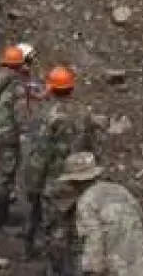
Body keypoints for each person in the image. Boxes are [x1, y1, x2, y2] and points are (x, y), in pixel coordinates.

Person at [24, 66, 97, 258]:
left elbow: (41, 155)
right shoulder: (85, 113)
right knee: (74, 225)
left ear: (51, 88)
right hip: (81, 179)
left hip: (55, 181)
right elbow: (92, 147)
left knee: (55, 229)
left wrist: (33, 185)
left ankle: (57, 266)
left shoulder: (49, 116)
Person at [42, 154, 143, 276]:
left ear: (75, 182)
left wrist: (91, 270)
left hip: (117, 267)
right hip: (142, 265)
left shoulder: (86, 201)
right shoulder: (121, 190)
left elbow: (94, 241)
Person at [0, 43, 37, 230]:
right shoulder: (17, 86)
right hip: (8, 137)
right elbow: (21, 116)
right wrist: (27, 134)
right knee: (4, 177)